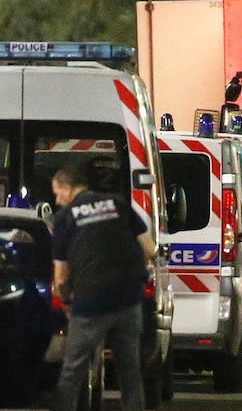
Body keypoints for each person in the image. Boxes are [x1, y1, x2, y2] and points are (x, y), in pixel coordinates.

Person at [51, 165, 156, 411]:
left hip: (91, 303)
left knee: (72, 370)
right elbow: (150, 249)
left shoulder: (65, 218)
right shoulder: (118, 204)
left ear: (67, 188)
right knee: (130, 370)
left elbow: (62, 277)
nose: (57, 200)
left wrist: (67, 303)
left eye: (57, 193)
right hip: (129, 300)